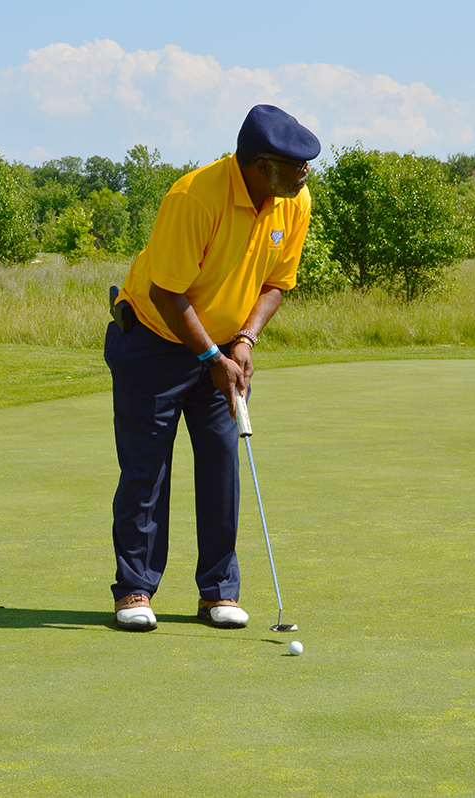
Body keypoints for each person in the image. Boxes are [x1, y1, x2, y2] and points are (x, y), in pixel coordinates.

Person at [104, 104, 320, 631]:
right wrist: (211, 357)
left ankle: (218, 592)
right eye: (295, 165)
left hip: (223, 344)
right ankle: (135, 589)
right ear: (261, 166)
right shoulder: (194, 197)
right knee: (147, 469)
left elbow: (276, 283)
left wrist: (244, 340)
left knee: (223, 461)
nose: (306, 173)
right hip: (153, 340)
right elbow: (167, 290)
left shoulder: (294, 200)